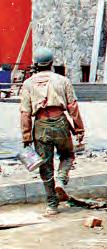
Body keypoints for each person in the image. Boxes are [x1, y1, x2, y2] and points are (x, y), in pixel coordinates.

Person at [19, 47, 85, 215]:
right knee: (68, 155)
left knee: (45, 166)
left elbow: (25, 113)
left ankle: (52, 205)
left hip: (40, 126)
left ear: (35, 64)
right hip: (61, 123)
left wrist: (26, 136)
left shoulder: (28, 84)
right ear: (51, 63)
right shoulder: (62, 80)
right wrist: (79, 128)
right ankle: (61, 180)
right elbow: (73, 107)